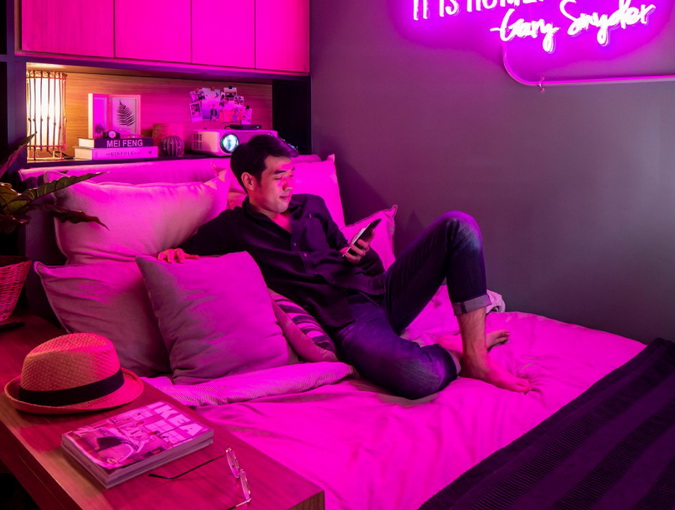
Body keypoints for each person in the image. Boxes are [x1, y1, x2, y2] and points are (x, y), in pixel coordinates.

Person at [159, 135, 530, 400]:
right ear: (249, 182)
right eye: (279, 177)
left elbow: (348, 253)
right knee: (421, 376)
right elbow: (179, 254)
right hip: (346, 320)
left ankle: (476, 356)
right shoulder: (231, 229)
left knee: (459, 226)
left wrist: (361, 255)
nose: (290, 185)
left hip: (381, 292)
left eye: (291, 174)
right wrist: (176, 254)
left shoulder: (313, 205)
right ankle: (453, 349)